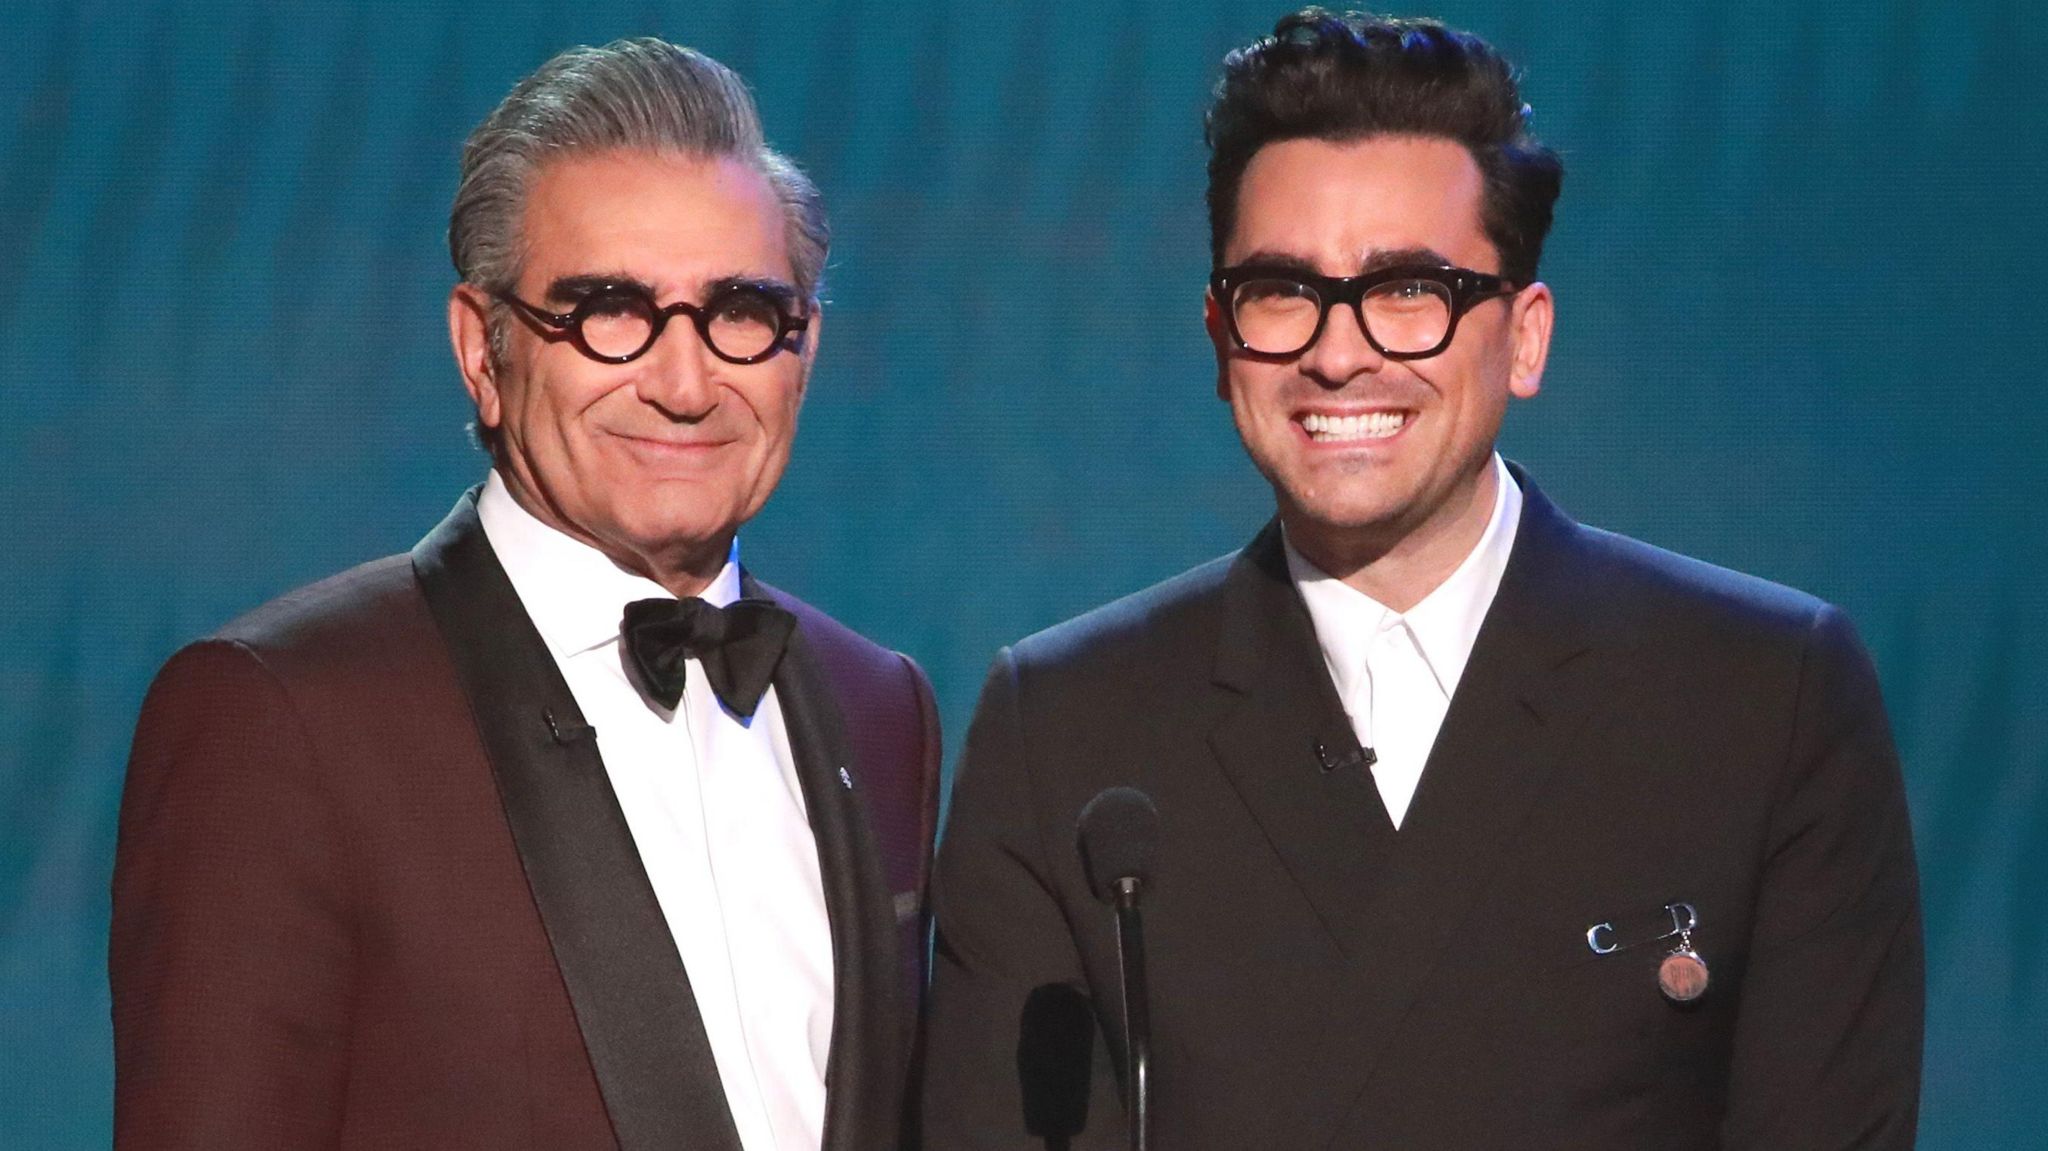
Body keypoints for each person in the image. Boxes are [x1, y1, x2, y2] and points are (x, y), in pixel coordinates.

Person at [921, 10, 1923, 1148]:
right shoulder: (1064, 726)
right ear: (1217, 337)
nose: (1337, 352)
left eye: (1407, 289)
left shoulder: (1760, 694)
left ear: (1524, 335)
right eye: (1279, 291)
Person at [110, 39, 939, 1151]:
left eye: (739, 310)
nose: (685, 382)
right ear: (481, 349)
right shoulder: (282, 719)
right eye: (610, 310)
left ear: (805, 346)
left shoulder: (878, 706)